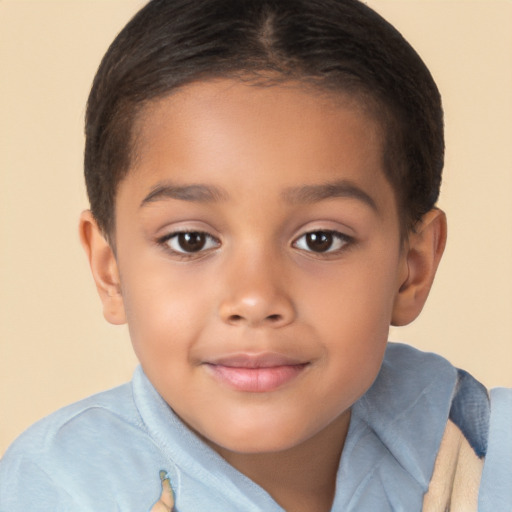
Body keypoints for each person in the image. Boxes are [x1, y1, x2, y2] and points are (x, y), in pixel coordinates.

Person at [0, 0, 510, 510]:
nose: (255, 299)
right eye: (190, 241)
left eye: (320, 240)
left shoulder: (479, 458)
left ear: (412, 268)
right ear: (110, 270)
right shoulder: (61, 486)